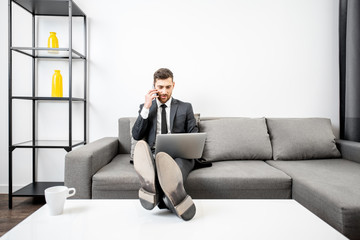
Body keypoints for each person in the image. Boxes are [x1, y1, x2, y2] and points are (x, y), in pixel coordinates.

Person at [132, 68, 209, 221]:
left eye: (168, 87)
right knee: (152, 158)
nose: (164, 91)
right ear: (154, 86)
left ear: (173, 85)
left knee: (176, 165)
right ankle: (174, 198)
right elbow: (136, 135)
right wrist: (147, 107)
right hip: (154, 153)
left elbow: (193, 132)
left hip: (180, 154)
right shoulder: (145, 107)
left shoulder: (185, 107)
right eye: (160, 87)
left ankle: (155, 192)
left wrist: (189, 144)